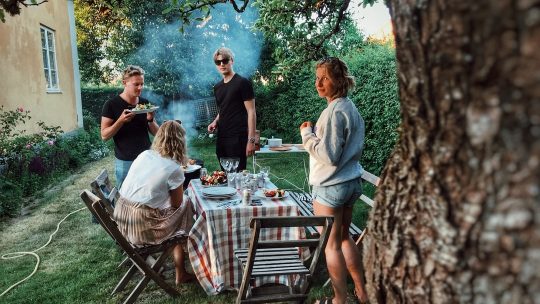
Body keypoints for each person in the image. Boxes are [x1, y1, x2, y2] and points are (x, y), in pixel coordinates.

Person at [299, 57, 368, 304]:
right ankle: (362, 292)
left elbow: (329, 156)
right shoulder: (350, 108)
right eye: (317, 78)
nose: (318, 83)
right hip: (350, 183)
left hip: (331, 187)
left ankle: (340, 299)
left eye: (325, 77)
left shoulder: (333, 112)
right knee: (344, 238)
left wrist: (307, 135)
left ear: (339, 80)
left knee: (331, 246)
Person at [114, 120, 195, 285]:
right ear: (181, 142)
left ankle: (181, 268)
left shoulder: (145, 154)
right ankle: (182, 270)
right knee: (186, 206)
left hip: (121, 220)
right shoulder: (174, 168)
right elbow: (176, 204)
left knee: (179, 212)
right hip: (141, 228)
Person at [101, 65, 159, 188]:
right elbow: (104, 135)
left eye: (142, 84)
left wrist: (150, 119)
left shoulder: (144, 103)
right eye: (136, 84)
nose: (140, 88)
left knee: (148, 195)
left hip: (146, 158)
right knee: (125, 199)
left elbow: (157, 133)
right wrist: (120, 121)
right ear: (124, 83)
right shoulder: (111, 105)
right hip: (125, 161)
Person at [207, 47, 257, 171]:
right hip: (222, 137)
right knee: (225, 176)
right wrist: (215, 121)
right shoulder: (217, 87)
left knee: (238, 176)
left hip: (238, 138)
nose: (222, 64)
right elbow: (223, 109)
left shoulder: (242, 83)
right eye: (218, 62)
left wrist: (251, 141)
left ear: (231, 61)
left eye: (225, 60)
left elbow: (251, 112)